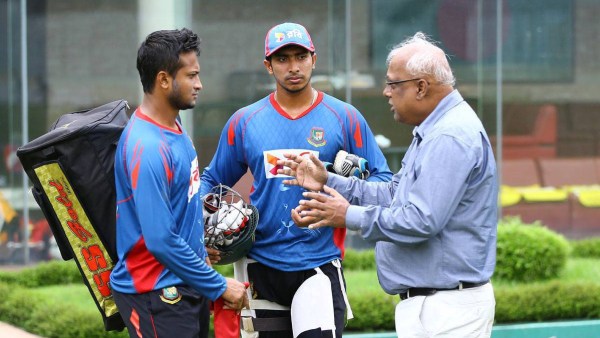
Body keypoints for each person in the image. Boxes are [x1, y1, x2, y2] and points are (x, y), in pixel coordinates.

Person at [278, 32, 498, 338]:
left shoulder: (449, 136)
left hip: (447, 307)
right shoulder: (434, 130)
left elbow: (420, 220)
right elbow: (395, 194)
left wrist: (347, 215)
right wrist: (329, 180)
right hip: (434, 304)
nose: (385, 92)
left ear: (421, 87)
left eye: (393, 84)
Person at [200, 22, 392, 338]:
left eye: (300, 56)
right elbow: (211, 180)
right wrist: (201, 229)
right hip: (260, 267)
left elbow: (384, 182)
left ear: (313, 59)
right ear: (268, 66)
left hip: (318, 264)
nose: (293, 67)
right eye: (283, 58)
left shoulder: (344, 117)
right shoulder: (245, 121)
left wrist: (331, 182)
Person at [109, 28, 248, 338]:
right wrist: (219, 285)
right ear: (163, 80)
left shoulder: (174, 124)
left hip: (184, 284)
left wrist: (200, 247)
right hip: (155, 295)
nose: (199, 84)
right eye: (192, 75)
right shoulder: (147, 149)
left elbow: (178, 208)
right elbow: (160, 239)